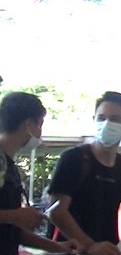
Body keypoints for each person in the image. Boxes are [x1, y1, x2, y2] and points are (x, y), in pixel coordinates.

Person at [48, 91, 121, 255]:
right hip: (70, 250)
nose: (107, 124)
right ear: (94, 120)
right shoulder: (73, 159)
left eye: (114, 119)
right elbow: (56, 212)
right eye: (101, 118)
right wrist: (91, 245)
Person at [0, 91, 78, 255]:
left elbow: (12, 232)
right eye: (40, 124)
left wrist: (57, 247)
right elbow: (12, 219)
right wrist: (13, 216)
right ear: (28, 124)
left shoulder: (10, 167)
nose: (40, 133)